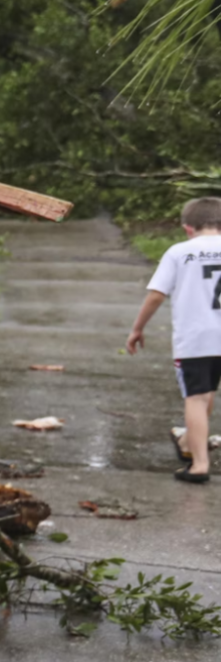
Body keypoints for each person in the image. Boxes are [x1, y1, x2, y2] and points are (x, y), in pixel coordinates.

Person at [126, 197, 221, 483]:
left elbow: (157, 294)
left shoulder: (179, 253)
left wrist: (137, 328)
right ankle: (186, 444)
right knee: (209, 393)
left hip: (196, 338)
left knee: (197, 397)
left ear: (187, 228)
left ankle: (200, 464)